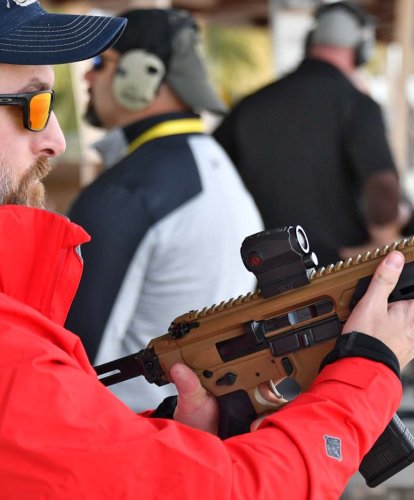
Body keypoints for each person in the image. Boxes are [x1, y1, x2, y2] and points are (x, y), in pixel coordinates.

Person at [0, 0, 414, 496]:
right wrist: (366, 369)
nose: (57, 139)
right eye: (34, 106)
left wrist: (158, 442)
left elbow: (28, 446)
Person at [64, 8, 264, 412]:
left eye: (101, 62)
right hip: (196, 426)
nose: (86, 76)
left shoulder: (130, 190)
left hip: (127, 435)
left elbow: (69, 358)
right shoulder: (213, 164)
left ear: (143, 74)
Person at [214, 1, 406, 266]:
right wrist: (384, 241)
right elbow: (382, 186)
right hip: (337, 275)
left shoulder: (250, 106)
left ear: (309, 42)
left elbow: (214, 178)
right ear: (363, 49)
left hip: (260, 274)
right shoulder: (358, 105)